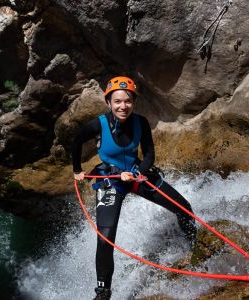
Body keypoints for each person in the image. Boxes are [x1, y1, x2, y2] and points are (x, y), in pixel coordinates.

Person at [72, 76, 197, 300]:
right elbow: (76, 141)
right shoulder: (97, 124)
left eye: (127, 101)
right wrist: (77, 169)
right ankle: (103, 292)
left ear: (134, 102)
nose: (123, 106)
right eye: (117, 101)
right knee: (105, 237)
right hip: (111, 179)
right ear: (109, 102)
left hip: (137, 175)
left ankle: (194, 248)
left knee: (184, 208)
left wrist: (140, 173)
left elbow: (149, 153)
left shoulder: (141, 122)